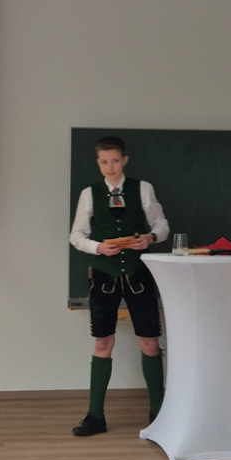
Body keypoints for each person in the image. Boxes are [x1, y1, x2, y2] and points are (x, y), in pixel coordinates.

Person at [68, 136, 170, 436]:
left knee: (150, 343)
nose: (110, 167)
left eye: (115, 160)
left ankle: (159, 415)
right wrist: (98, 248)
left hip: (139, 274)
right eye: (104, 162)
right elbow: (76, 235)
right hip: (104, 275)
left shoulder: (143, 189)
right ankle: (95, 416)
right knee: (103, 343)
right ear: (98, 163)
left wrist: (150, 238)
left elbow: (162, 226)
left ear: (124, 160)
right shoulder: (90, 193)